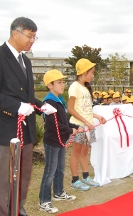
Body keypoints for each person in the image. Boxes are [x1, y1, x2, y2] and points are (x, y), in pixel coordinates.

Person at [0, 17, 57, 216]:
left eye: (34, 37)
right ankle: (1, 213)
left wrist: (42, 106)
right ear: (16, 33)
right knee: (5, 177)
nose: (33, 40)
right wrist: (15, 107)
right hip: (7, 128)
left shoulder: (25, 60)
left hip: (26, 128)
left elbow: (27, 96)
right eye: (30, 36)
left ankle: (17, 210)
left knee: (24, 174)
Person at [38, 69, 82, 213]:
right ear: (50, 85)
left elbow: (64, 121)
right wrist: (71, 130)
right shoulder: (49, 102)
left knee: (60, 169)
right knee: (50, 171)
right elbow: (54, 125)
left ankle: (58, 193)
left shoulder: (59, 100)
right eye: (59, 82)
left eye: (63, 82)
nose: (63, 85)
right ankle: (44, 201)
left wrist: (75, 126)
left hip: (61, 141)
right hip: (52, 142)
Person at [67, 58, 107, 191]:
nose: (93, 75)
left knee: (84, 152)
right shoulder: (74, 87)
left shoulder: (85, 88)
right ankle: (75, 180)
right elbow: (71, 109)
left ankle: (85, 176)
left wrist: (97, 116)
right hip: (79, 126)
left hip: (88, 126)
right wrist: (84, 122)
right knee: (76, 153)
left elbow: (86, 109)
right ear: (84, 72)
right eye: (92, 72)